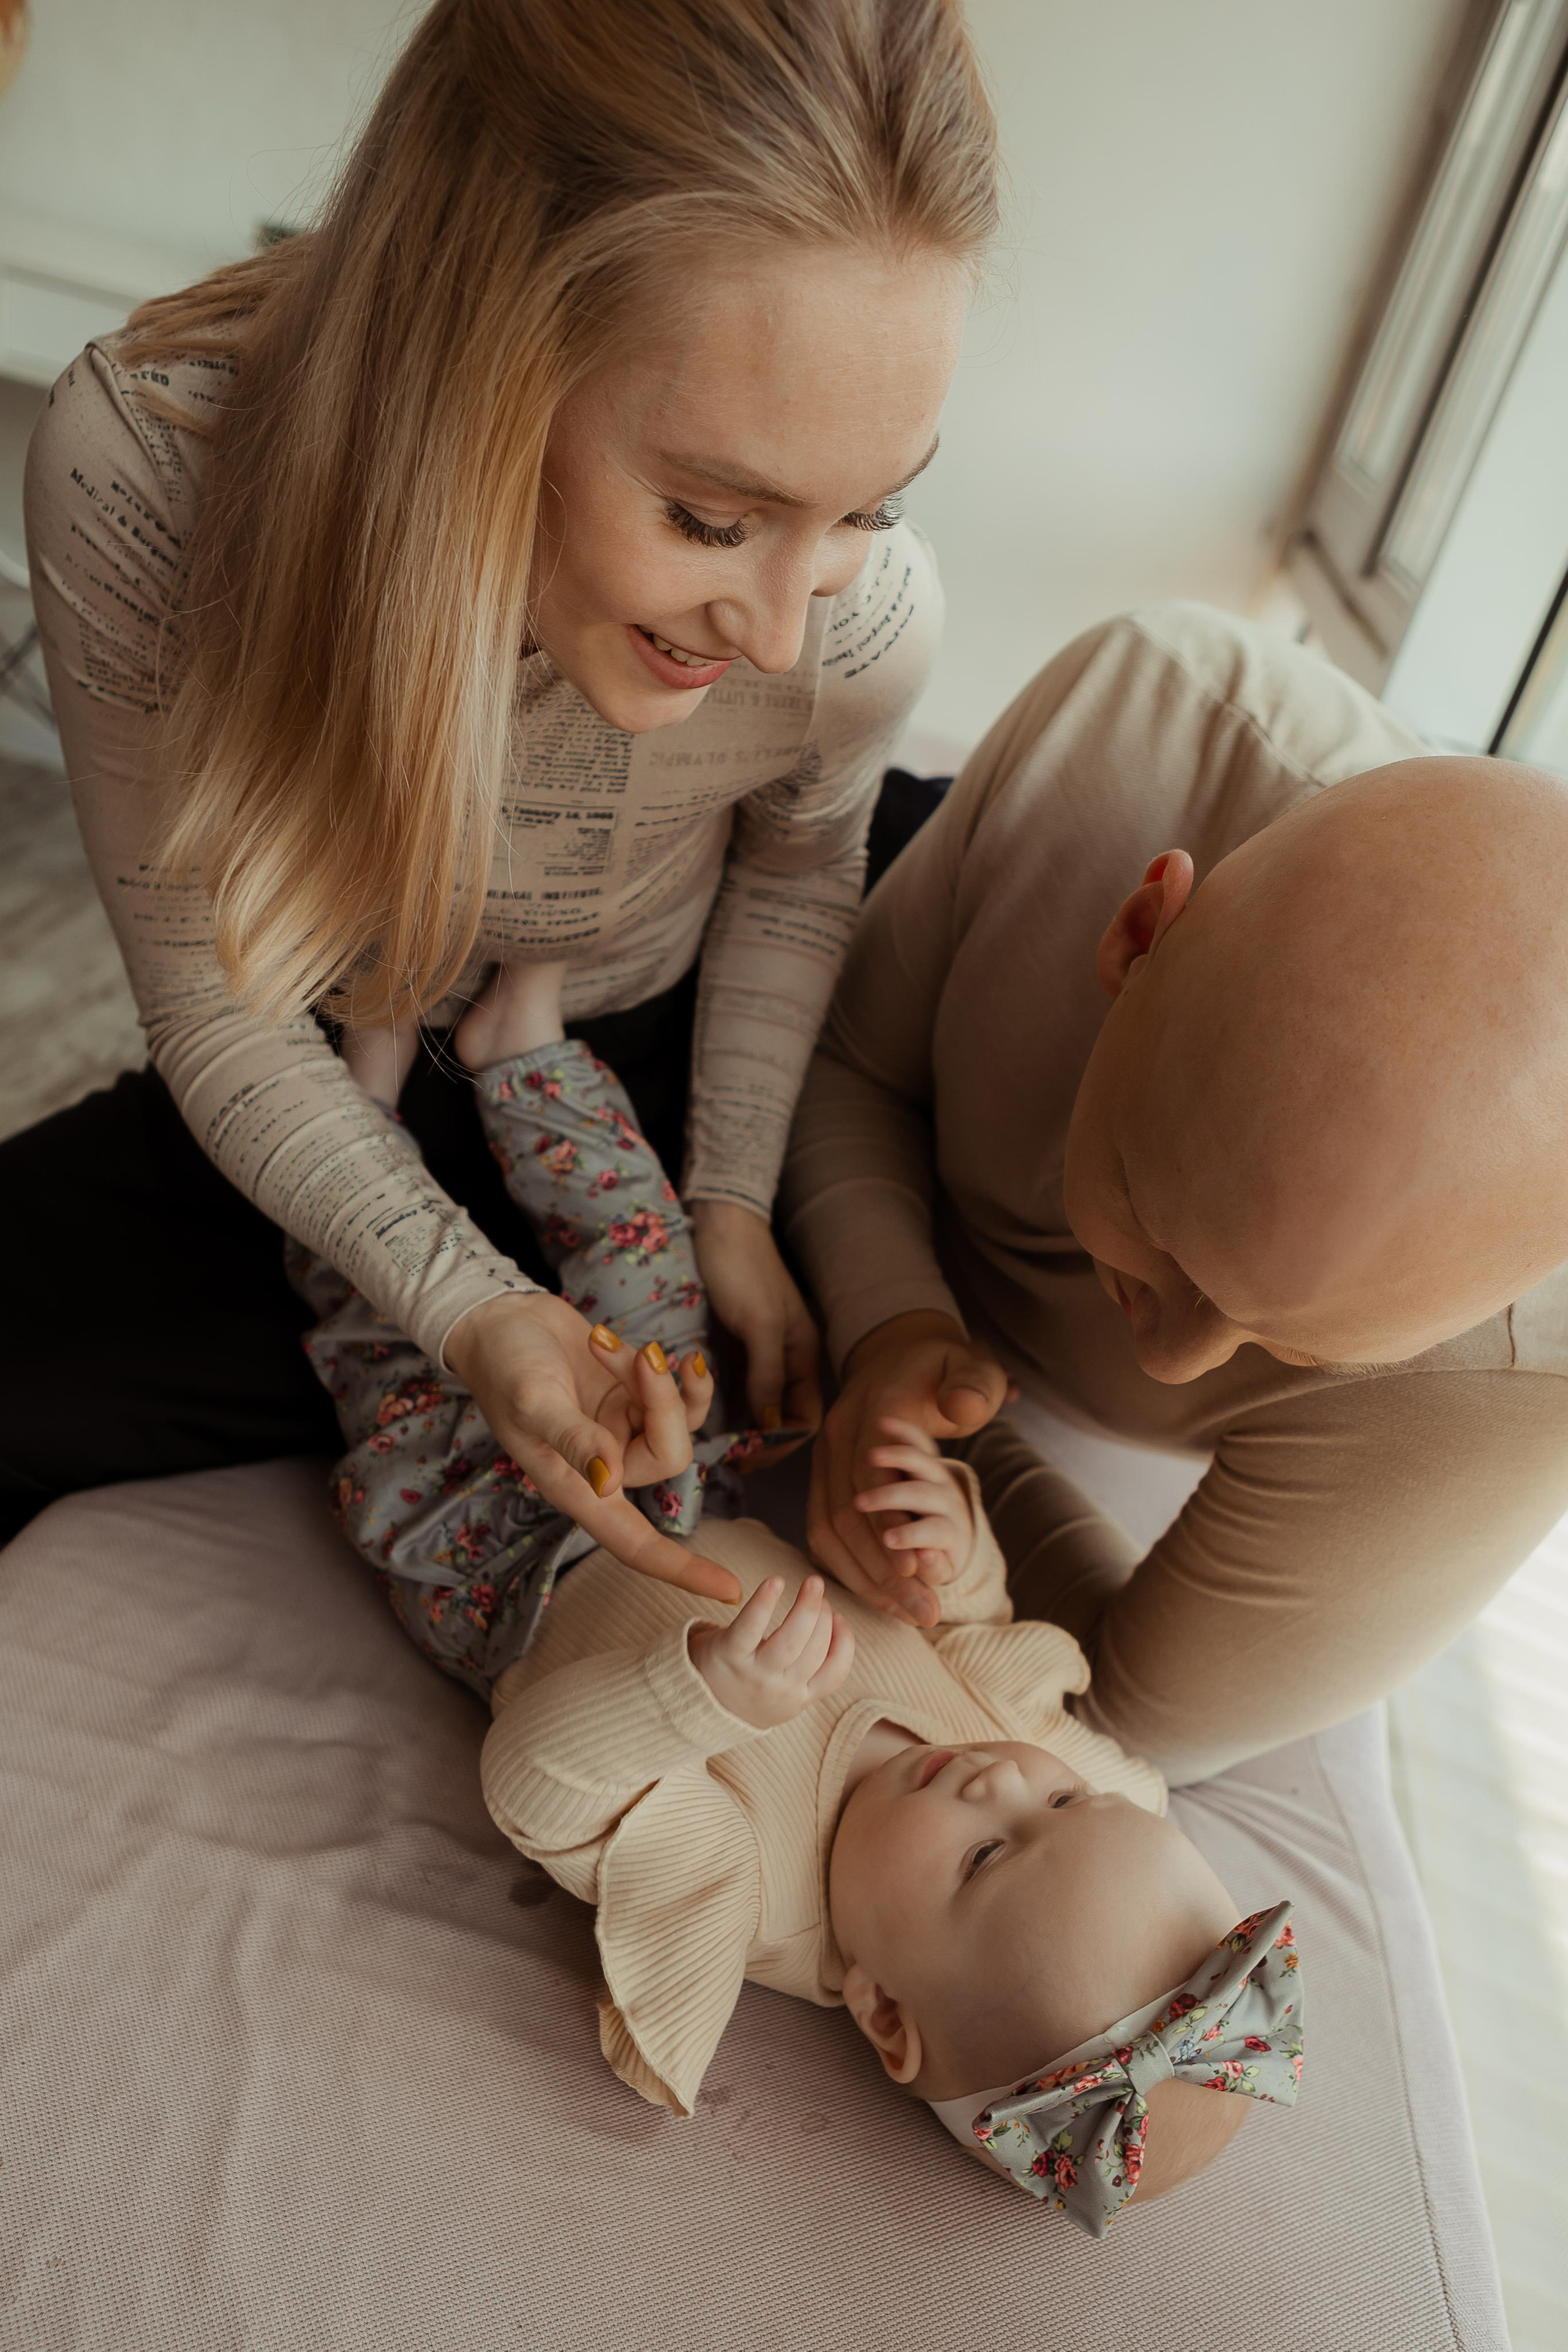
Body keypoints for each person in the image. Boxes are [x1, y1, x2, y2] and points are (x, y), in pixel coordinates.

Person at [2, 0, 997, 1572]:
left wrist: (731, 1202)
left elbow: (803, 870)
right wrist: (465, 1307)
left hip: (665, 1050)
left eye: (872, 507)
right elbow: (213, 1005)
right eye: (710, 519)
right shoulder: (143, 471)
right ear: (470, 358)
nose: (777, 632)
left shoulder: (862, 627)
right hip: (326, 1060)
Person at [285, 953, 1307, 2242]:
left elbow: (536, 1782)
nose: (998, 1780)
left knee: (382, 1335)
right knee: (646, 1264)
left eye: (985, 1856)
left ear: (881, 2008)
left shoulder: (750, 1883)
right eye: (1063, 1801)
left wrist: (700, 1698)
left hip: (501, 1551)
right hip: (679, 1480)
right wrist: (946, 1547)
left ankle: (360, 1109)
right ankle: (520, 1054)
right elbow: (974, 1629)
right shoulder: (1009, 1747)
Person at [784, 602, 1568, 1785]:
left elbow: (1134, 1719)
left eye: (1306, 1347)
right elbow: (845, 1062)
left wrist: (936, 1436)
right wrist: (891, 1325)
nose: (1170, 1363)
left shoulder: (1516, 1377)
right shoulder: (1129, 724)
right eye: (1161, 1232)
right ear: (1141, 928)